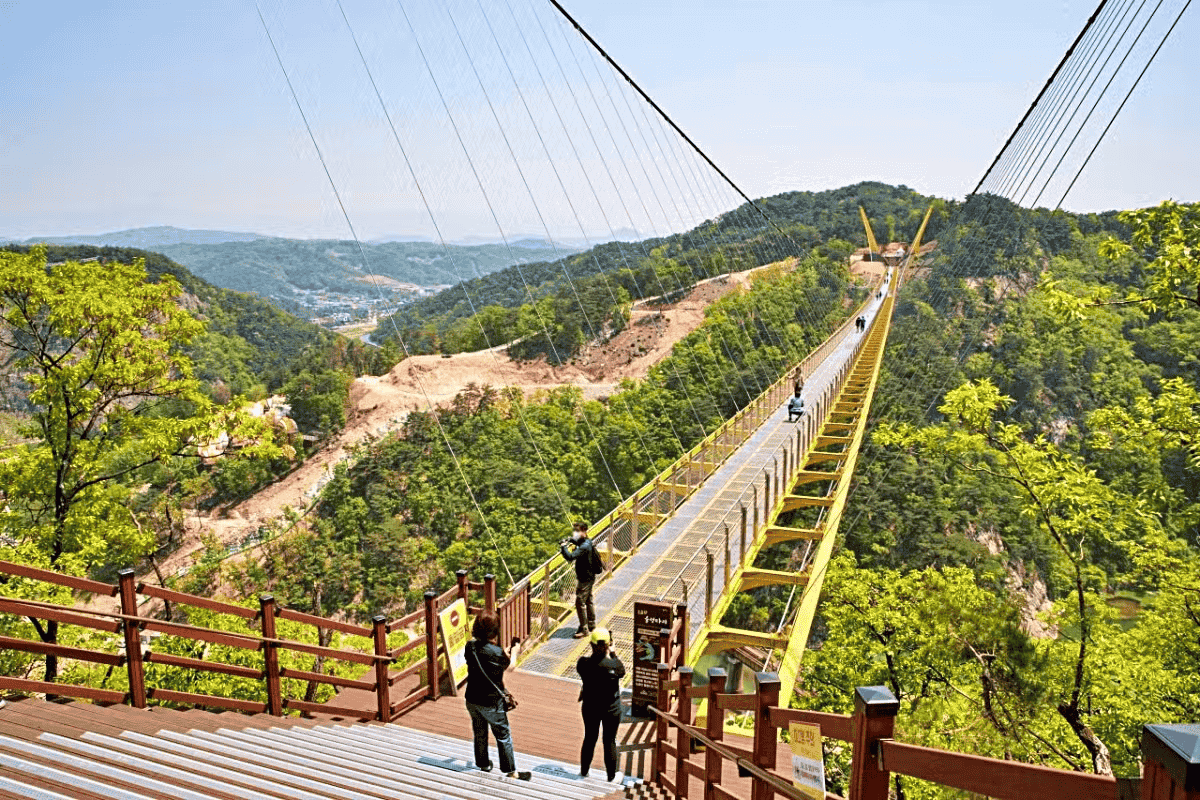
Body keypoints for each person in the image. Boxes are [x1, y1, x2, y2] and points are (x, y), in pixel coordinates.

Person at [465, 611, 531, 781]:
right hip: (491, 701)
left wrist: (504, 653)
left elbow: (484, 661)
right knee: (503, 735)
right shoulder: (496, 652)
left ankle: (484, 764)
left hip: (472, 698)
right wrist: (514, 652)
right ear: (494, 630)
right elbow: (509, 667)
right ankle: (511, 772)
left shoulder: (469, 647)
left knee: (479, 731)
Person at [576, 627, 626, 782]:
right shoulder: (613, 666)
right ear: (608, 645)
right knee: (609, 740)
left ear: (591, 645)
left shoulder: (583, 664)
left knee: (590, 737)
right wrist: (613, 652)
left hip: (590, 707)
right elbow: (622, 671)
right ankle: (611, 777)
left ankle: (584, 772)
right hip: (611, 708)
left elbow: (588, 666)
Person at [560, 521, 598, 638]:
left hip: (585, 578)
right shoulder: (587, 541)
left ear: (584, 531)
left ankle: (584, 629)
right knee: (588, 600)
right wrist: (571, 540)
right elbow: (578, 542)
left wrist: (563, 547)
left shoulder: (584, 547)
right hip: (589, 576)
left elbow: (570, 557)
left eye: (577, 531)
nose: (575, 533)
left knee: (580, 602)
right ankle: (591, 624)